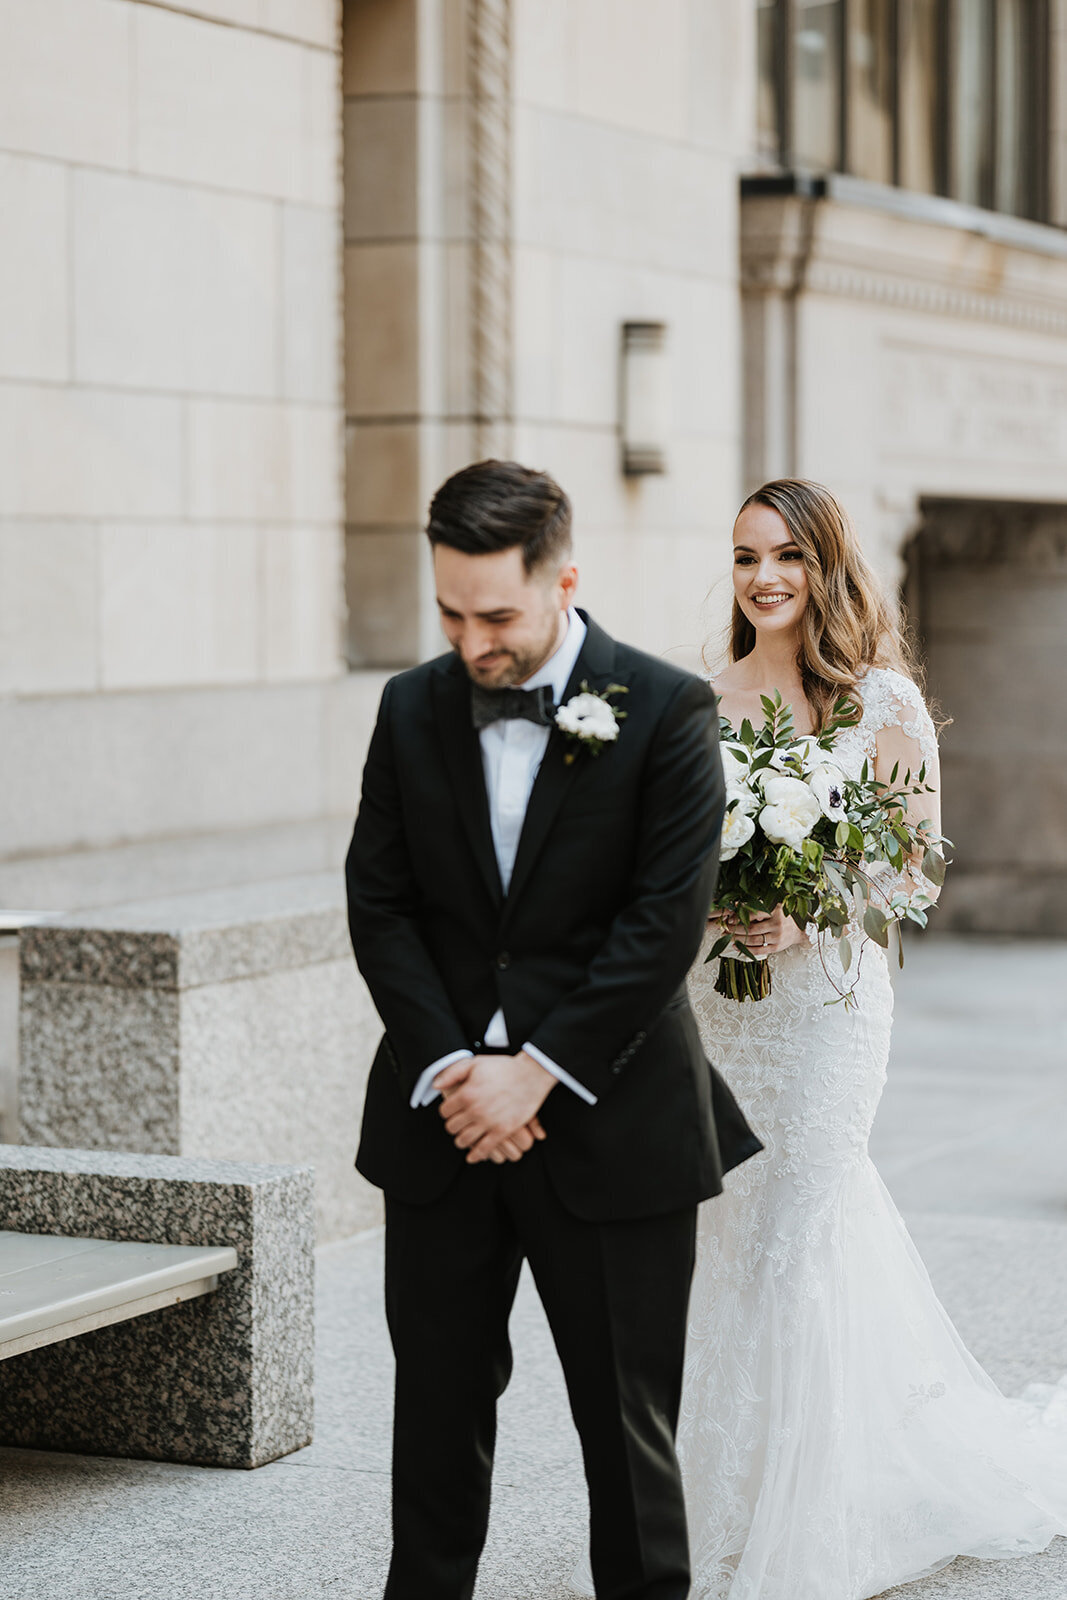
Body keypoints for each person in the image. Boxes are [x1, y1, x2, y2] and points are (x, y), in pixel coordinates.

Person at [345, 458, 762, 1600]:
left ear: (563, 580)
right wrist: (451, 1067)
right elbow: (379, 904)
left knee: (626, 1435)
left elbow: (658, 927)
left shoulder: (667, 708)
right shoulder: (407, 705)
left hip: (611, 1121)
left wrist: (534, 1071)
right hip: (440, 1126)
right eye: (447, 611)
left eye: (496, 615)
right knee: (431, 1421)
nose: (471, 641)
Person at [678, 478, 1067, 1600]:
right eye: (747, 555)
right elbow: (658, 863)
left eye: (787, 556)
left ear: (825, 566)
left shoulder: (877, 703)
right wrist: (714, 903)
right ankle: (731, 1494)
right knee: (733, 1230)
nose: (763, 578)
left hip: (828, 1011)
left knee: (802, 1211)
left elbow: (912, 870)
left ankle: (816, 1510)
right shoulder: (701, 702)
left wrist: (805, 908)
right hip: (726, 1006)